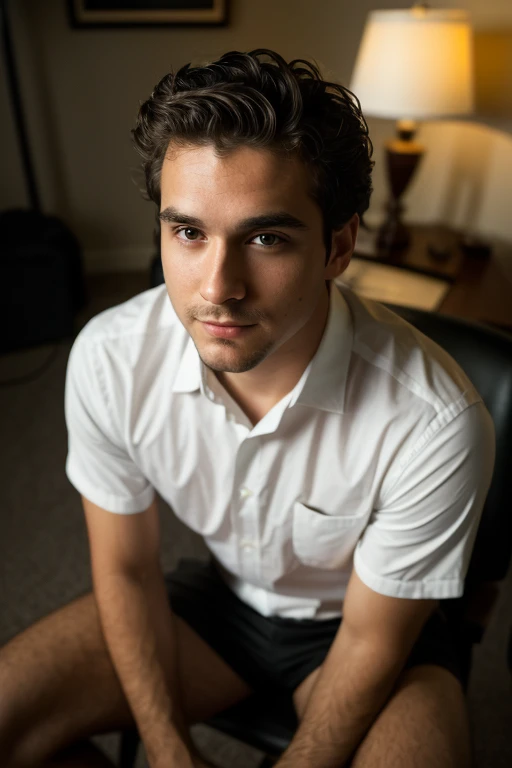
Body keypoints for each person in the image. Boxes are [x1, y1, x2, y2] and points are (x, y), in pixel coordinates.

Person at [0, 48, 495, 768]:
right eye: (189, 232)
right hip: (217, 606)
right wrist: (169, 752)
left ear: (338, 246)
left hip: (367, 627)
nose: (219, 287)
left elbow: (370, 638)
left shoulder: (434, 418)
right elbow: (129, 571)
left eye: (266, 238)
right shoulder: (109, 360)